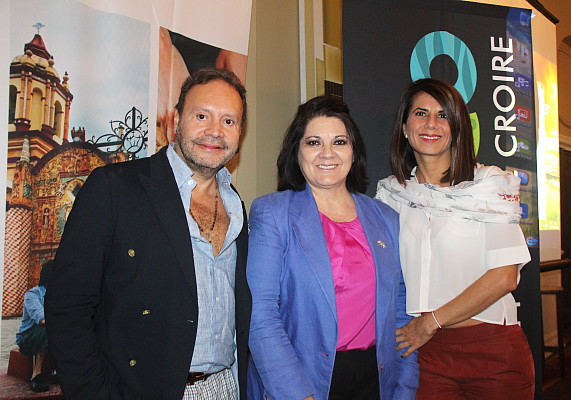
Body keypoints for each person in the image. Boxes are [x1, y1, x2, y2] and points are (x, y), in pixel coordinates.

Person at [45, 67, 251, 400]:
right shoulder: (113, 188)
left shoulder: (237, 204)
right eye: (202, 115)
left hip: (227, 386)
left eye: (229, 121)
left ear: (240, 131)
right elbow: (67, 307)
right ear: (176, 120)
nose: (215, 131)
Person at [246, 96, 418, 400]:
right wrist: (297, 395)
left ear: (354, 151)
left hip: (377, 380)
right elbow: (261, 316)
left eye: (339, 141)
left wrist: (405, 386)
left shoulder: (386, 218)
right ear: (296, 152)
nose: (327, 153)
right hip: (302, 381)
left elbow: (401, 312)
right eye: (313, 142)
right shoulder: (273, 213)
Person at [376, 78, 534, 399]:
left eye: (443, 115)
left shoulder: (489, 184)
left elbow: (505, 276)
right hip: (423, 353)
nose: (431, 123)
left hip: (492, 347)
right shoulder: (390, 195)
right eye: (420, 113)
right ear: (405, 128)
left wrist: (430, 322)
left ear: (457, 127)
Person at [16, 260, 54, 393]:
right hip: (29, 339)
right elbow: (42, 319)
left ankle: (59, 371)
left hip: (52, 334)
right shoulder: (33, 294)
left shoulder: (60, 295)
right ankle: (36, 375)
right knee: (47, 329)